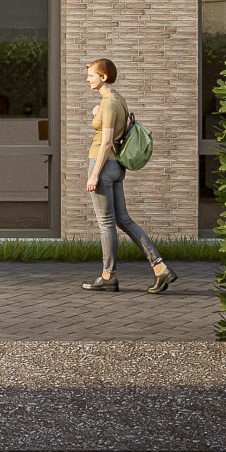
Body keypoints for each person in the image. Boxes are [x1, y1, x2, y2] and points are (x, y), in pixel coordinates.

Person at [81, 56, 176, 294]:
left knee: (106, 223)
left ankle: (108, 276)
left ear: (104, 77)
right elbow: (118, 132)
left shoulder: (109, 104)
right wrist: (97, 113)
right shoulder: (116, 101)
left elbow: (106, 142)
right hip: (116, 167)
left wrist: (94, 174)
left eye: (91, 75)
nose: (88, 79)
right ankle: (160, 268)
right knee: (123, 220)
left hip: (103, 165)